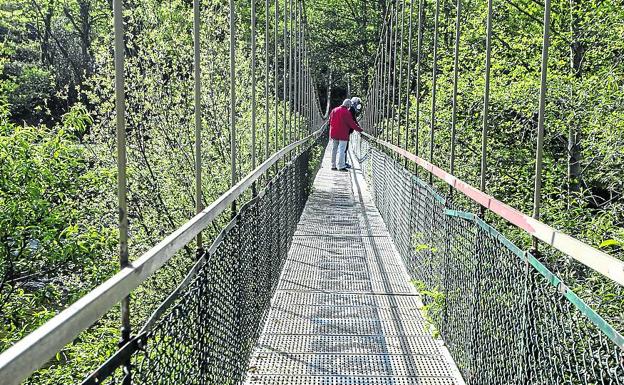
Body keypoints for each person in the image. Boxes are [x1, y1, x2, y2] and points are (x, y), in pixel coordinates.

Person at [329, 99, 362, 171]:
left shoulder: (334, 110)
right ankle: (341, 166)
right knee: (342, 150)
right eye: (349, 106)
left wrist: (330, 133)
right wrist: (360, 130)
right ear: (348, 105)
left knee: (334, 150)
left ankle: (333, 165)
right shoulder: (347, 112)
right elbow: (352, 123)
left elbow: (330, 122)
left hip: (334, 133)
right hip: (343, 135)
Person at [343, 96, 363, 168]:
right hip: (346, 131)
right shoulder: (351, 110)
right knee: (344, 148)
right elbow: (353, 121)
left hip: (345, 131)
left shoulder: (350, 109)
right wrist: (359, 129)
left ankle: (343, 163)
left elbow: (353, 120)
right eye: (358, 104)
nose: (359, 107)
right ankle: (343, 163)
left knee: (343, 148)